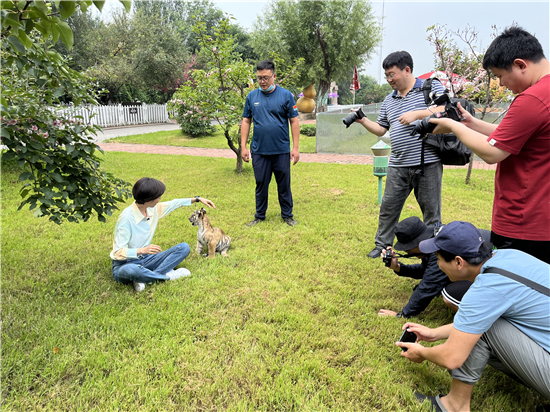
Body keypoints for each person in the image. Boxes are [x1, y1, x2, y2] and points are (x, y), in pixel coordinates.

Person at [397, 221, 550, 412]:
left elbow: (452, 356)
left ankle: (454, 406)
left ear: (459, 262)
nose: (437, 264)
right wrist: (434, 333)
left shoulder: (485, 289)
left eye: (438, 258)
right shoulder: (510, 256)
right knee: (484, 324)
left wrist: (421, 352)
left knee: (485, 329)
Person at [429, 27, 550, 264]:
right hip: (542, 218)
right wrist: (472, 123)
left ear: (520, 65)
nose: (501, 84)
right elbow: (514, 138)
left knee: (515, 291)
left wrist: (453, 127)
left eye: (500, 76)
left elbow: (493, 152)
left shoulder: (532, 99)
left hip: (524, 220)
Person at [353, 51, 447, 259]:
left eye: (391, 74)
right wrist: (363, 121)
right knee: (389, 207)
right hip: (398, 163)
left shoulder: (430, 87)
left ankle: (432, 250)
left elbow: (446, 109)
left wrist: (418, 113)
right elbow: (381, 129)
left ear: (407, 70)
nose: (388, 79)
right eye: (386, 75)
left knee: (431, 211)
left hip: (427, 162)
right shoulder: (389, 100)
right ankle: (382, 244)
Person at [110, 177, 216, 293]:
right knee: (131, 270)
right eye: (158, 196)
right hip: (125, 263)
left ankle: (146, 277)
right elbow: (117, 253)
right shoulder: (126, 219)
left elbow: (174, 203)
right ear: (149, 199)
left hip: (146, 259)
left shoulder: (152, 209)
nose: (160, 199)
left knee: (184, 248)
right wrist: (141, 250)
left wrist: (197, 199)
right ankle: (167, 276)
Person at [378, 217, 490, 318]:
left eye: (407, 250)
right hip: (489, 263)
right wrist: (398, 267)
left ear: (416, 243)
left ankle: (479, 318)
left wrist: (403, 315)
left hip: (489, 272)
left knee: (450, 294)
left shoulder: (441, 248)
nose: (407, 252)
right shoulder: (435, 235)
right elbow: (427, 271)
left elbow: (428, 286)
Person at [241, 60, 300, 227]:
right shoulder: (252, 96)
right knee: (261, 184)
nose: (262, 81)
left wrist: (295, 148)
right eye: (259, 78)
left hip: (281, 150)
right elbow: (246, 121)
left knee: (284, 184)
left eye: (266, 77)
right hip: (259, 150)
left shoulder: (286, 95)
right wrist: (244, 147)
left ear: (274, 76)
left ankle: (287, 215)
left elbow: (294, 121)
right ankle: (259, 216)